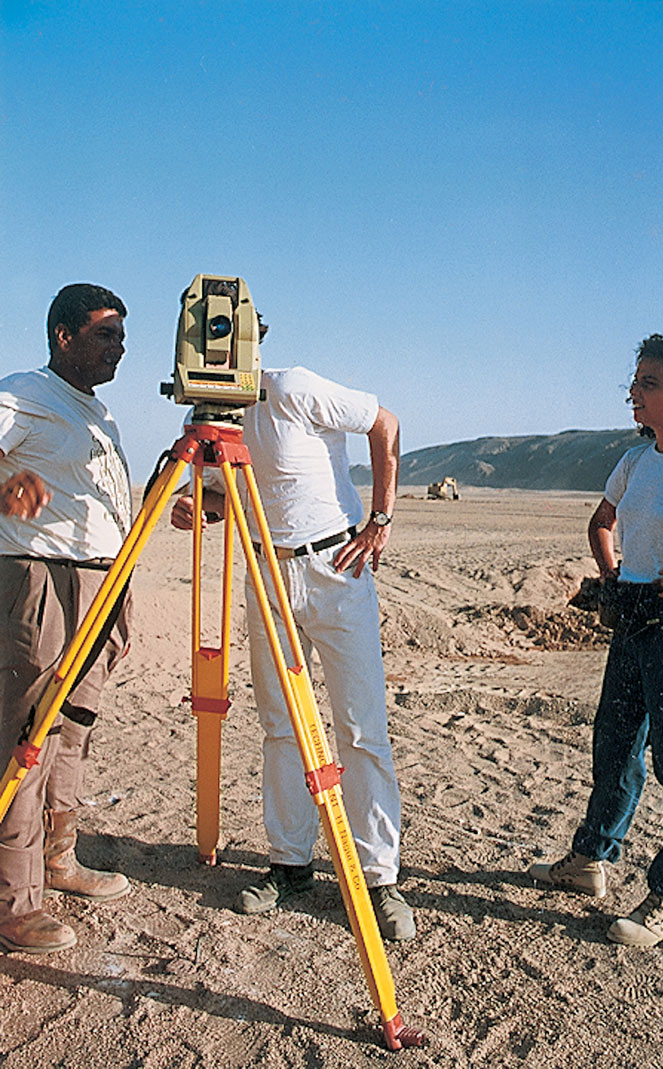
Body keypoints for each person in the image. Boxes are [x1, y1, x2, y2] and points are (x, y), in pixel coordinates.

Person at [171, 325, 415, 942]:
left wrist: (380, 518)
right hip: (266, 573)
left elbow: (384, 422)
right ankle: (290, 864)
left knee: (361, 726)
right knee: (280, 725)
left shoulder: (293, 389)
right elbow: (227, 498)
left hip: (336, 569)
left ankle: (379, 876)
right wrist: (197, 505)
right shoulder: (218, 427)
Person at [528, 333, 663, 946]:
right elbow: (601, 520)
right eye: (633, 382)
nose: (633, 394)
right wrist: (614, 579)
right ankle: (591, 862)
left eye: (648, 384)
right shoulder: (637, 460)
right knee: (613, 750)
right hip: (633, 631)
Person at [0, 283, 133, 954]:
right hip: (42, 579)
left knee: (74, 728)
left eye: (121, 336)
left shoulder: (97, 411)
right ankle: (15, 902)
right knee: (28, 732)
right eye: (106, 333)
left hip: (101, 582)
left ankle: (60, 859)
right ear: (63, 335)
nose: (120, 347)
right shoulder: (23, 392)